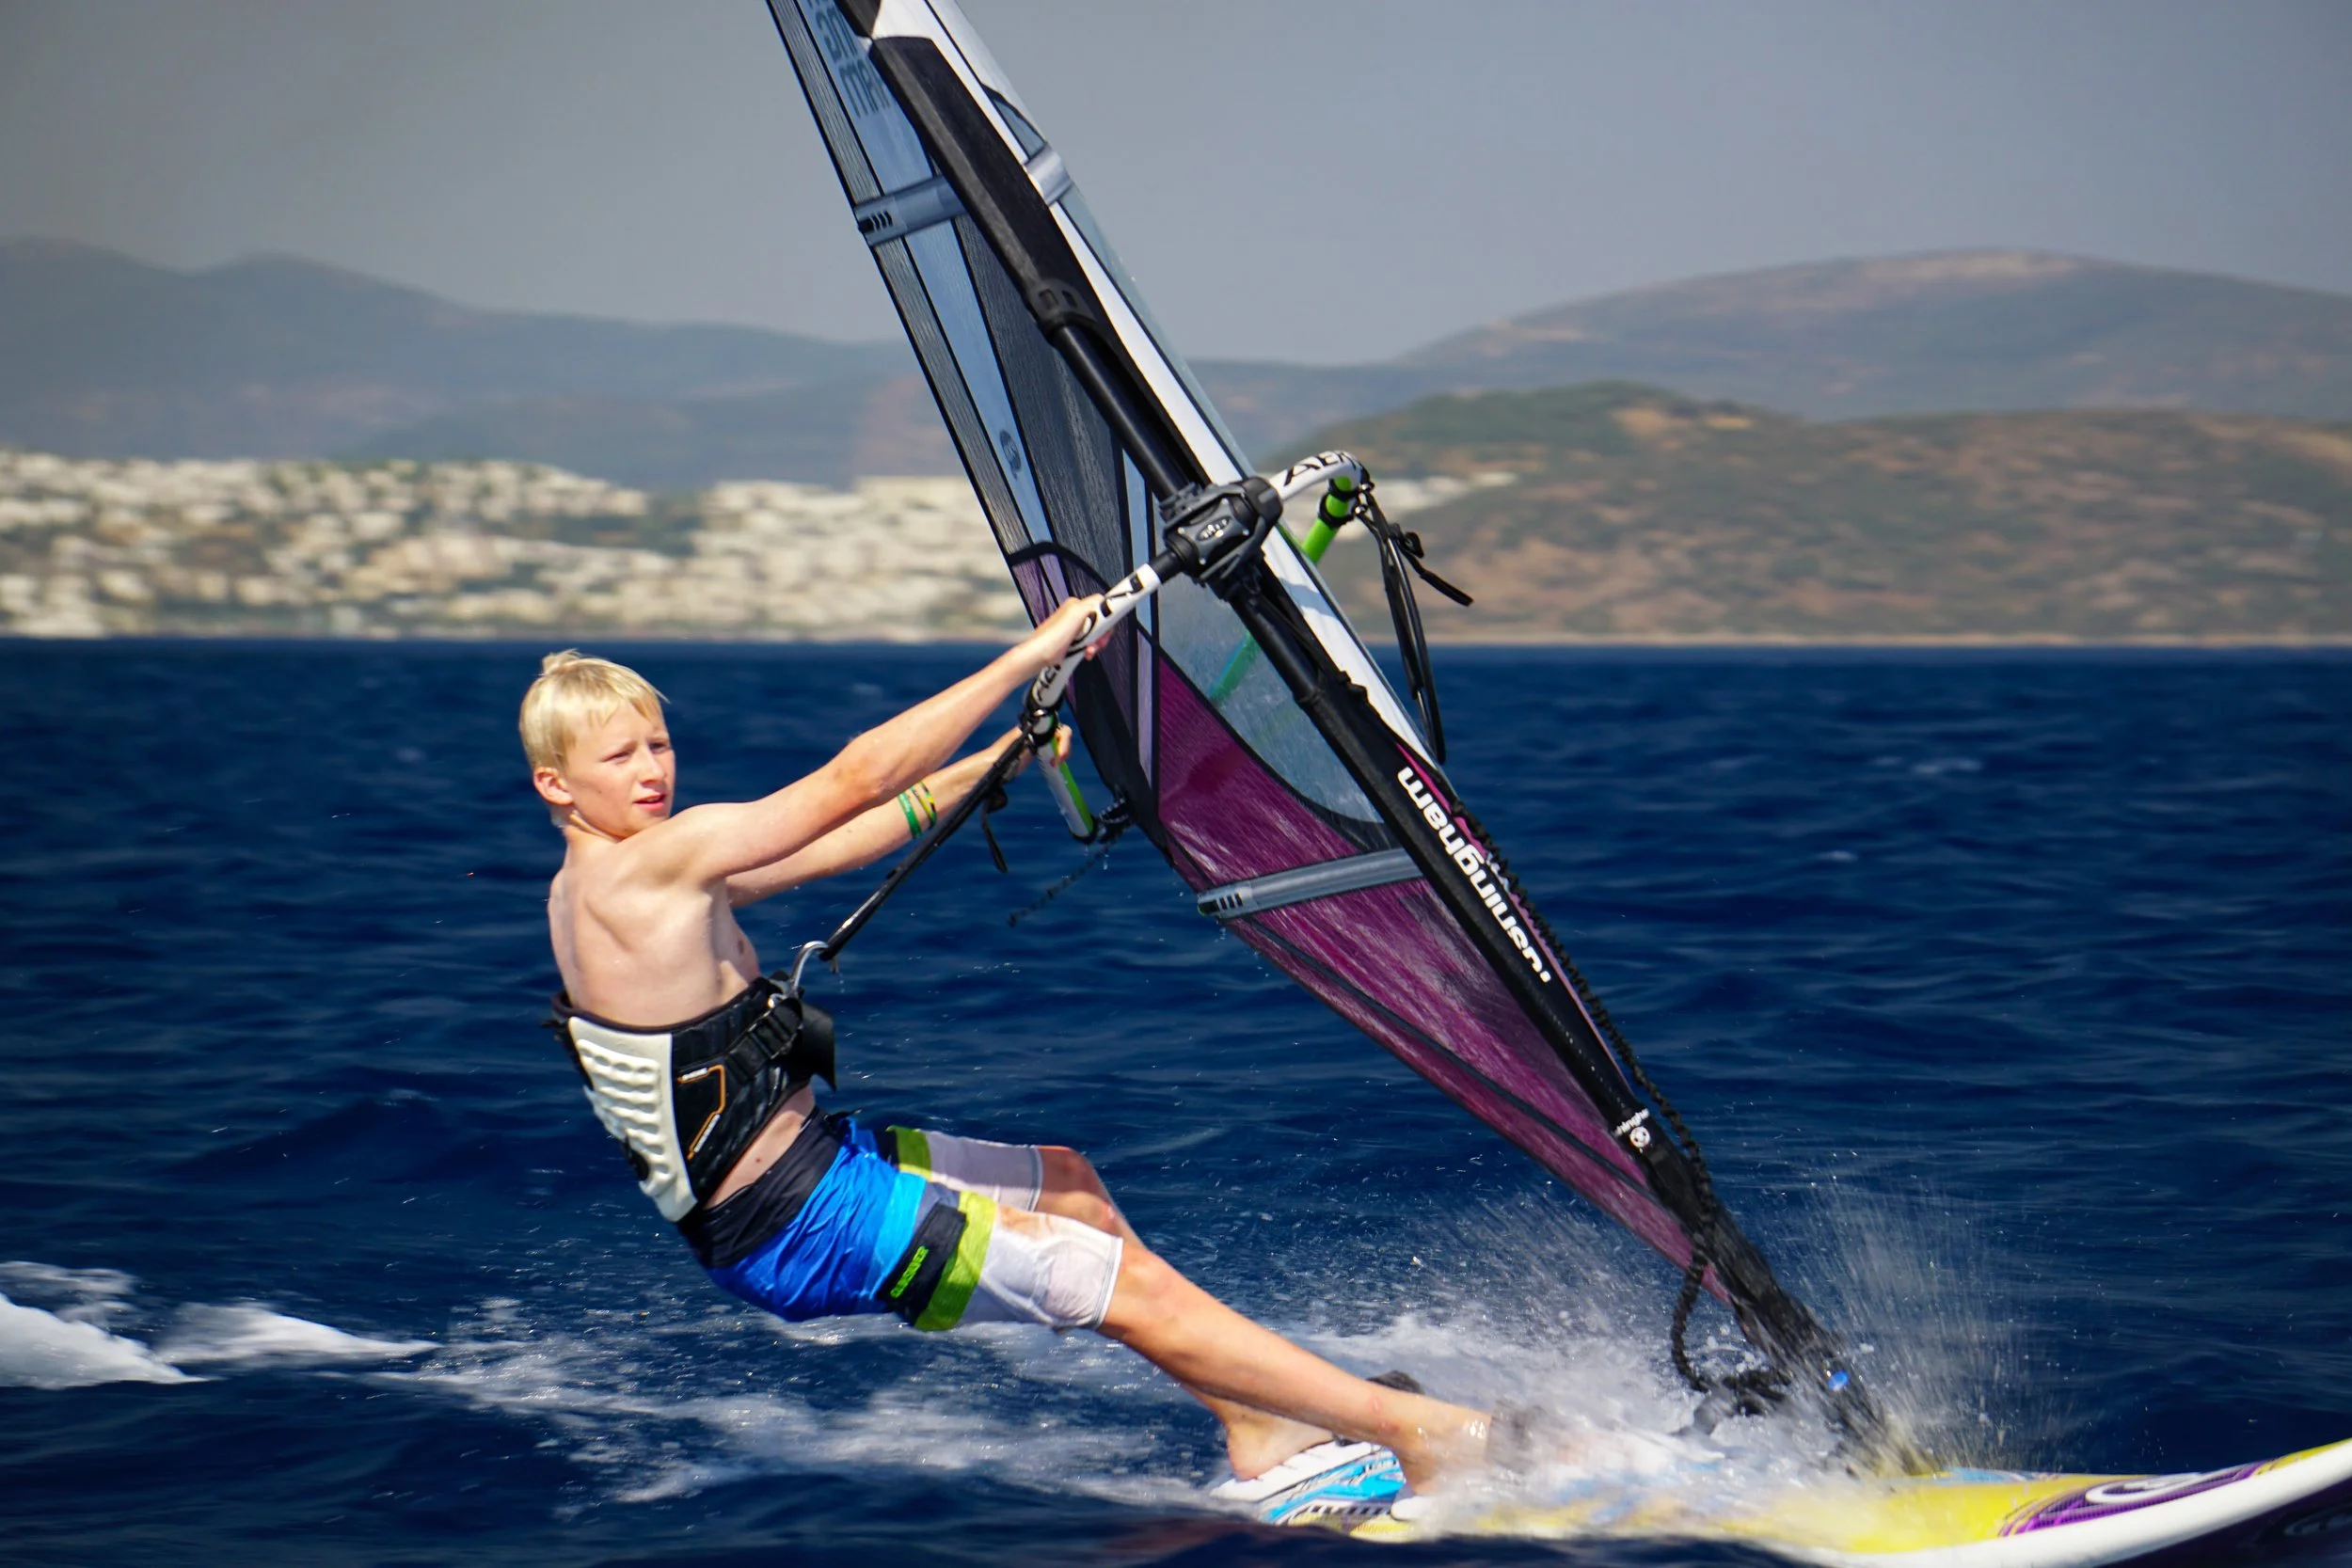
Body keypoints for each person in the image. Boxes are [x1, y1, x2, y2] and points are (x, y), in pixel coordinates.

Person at [520, 604, 1501, 1491]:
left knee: (1069, 1184)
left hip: (820, 1170)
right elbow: (855, 776)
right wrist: (1035, 652)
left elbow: (857, 831)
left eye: (657, 743)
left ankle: (1255, 1421)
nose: (652, 771)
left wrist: (1008, 754)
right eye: (620, 759)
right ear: (554, 785)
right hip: (800, 1219)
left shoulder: (639, 880)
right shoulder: (645, 871)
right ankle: (1423, 1432)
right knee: (1122, 1286)